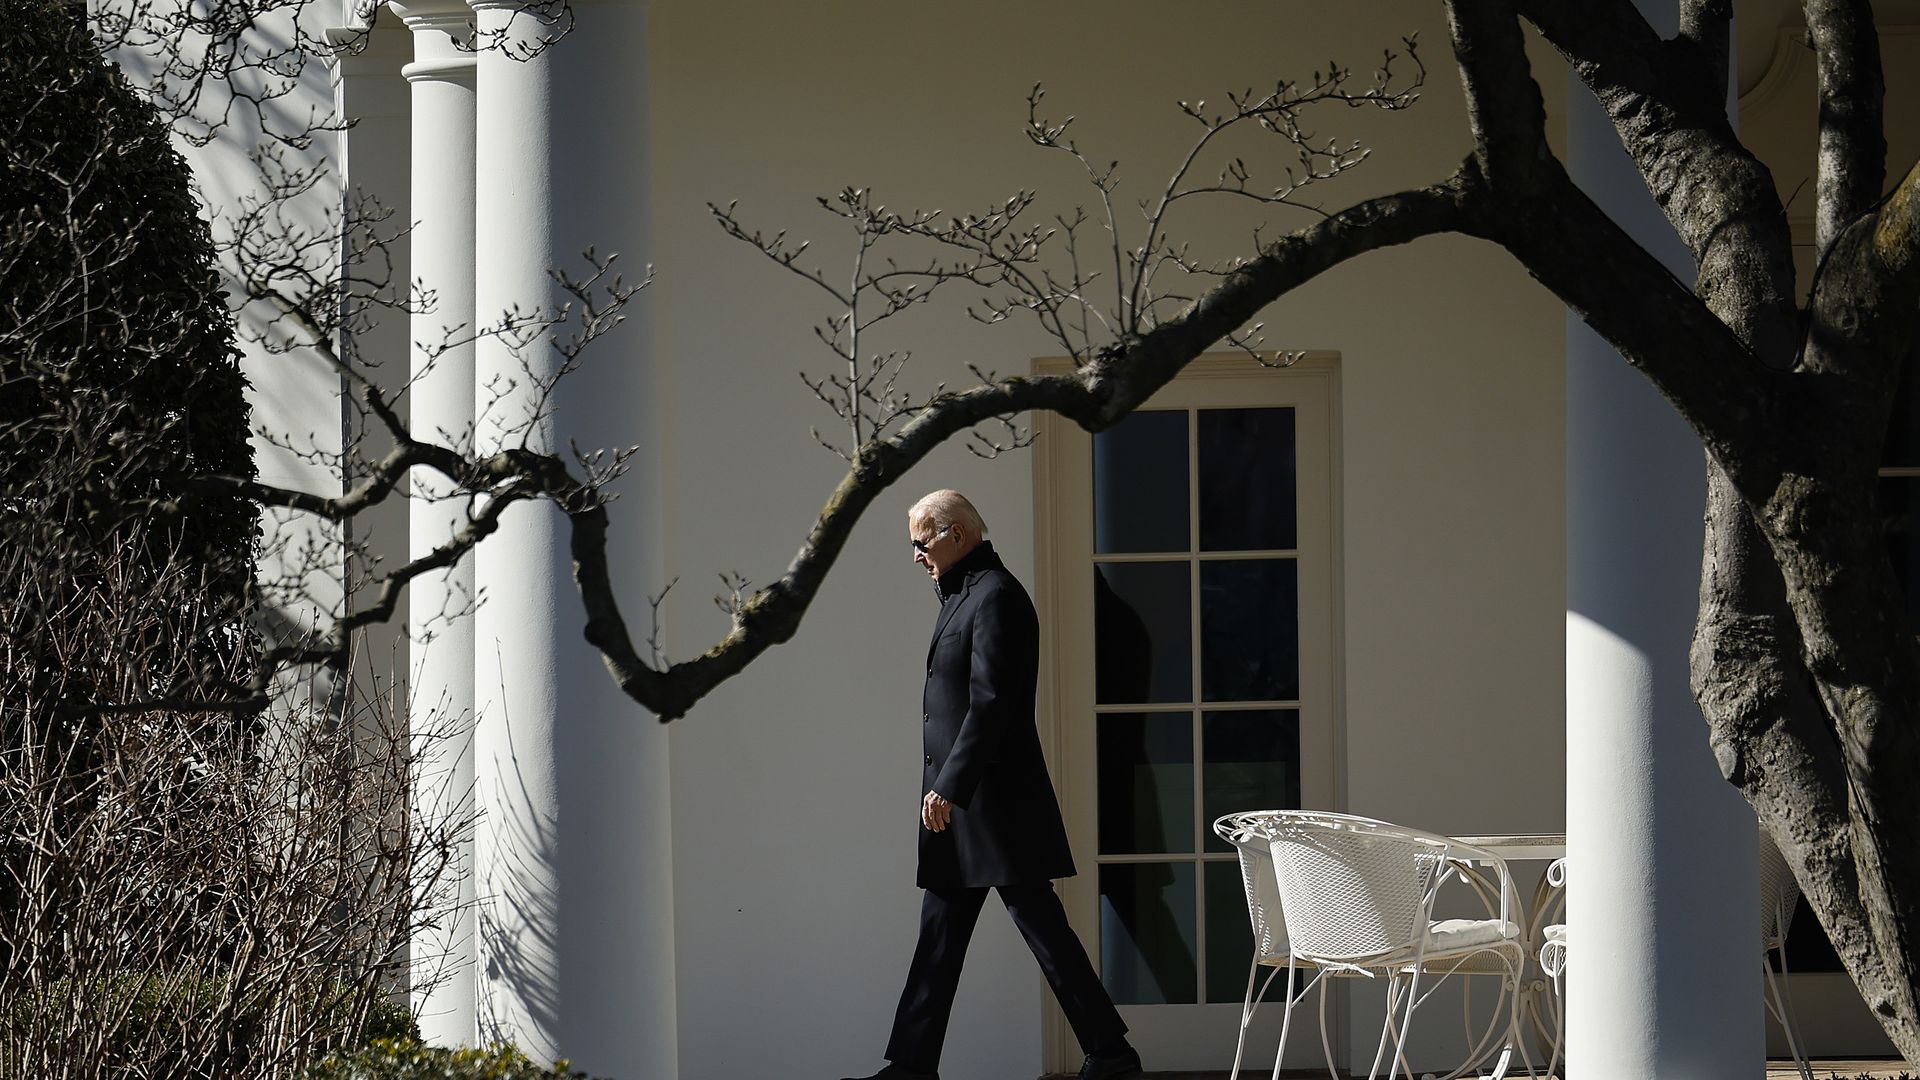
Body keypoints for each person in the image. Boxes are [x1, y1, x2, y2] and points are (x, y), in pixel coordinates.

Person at [842, 490, 1144, 1080]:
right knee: (941, 936)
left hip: (991, 806)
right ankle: (912, 1066)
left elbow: (992, 703)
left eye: (920, 541)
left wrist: (950, 786)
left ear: (956, 534)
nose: (915, 555)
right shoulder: (968, 593)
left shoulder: (997, 596)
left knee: (1044, 934)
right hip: (964, 807)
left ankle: (1110, 1053)